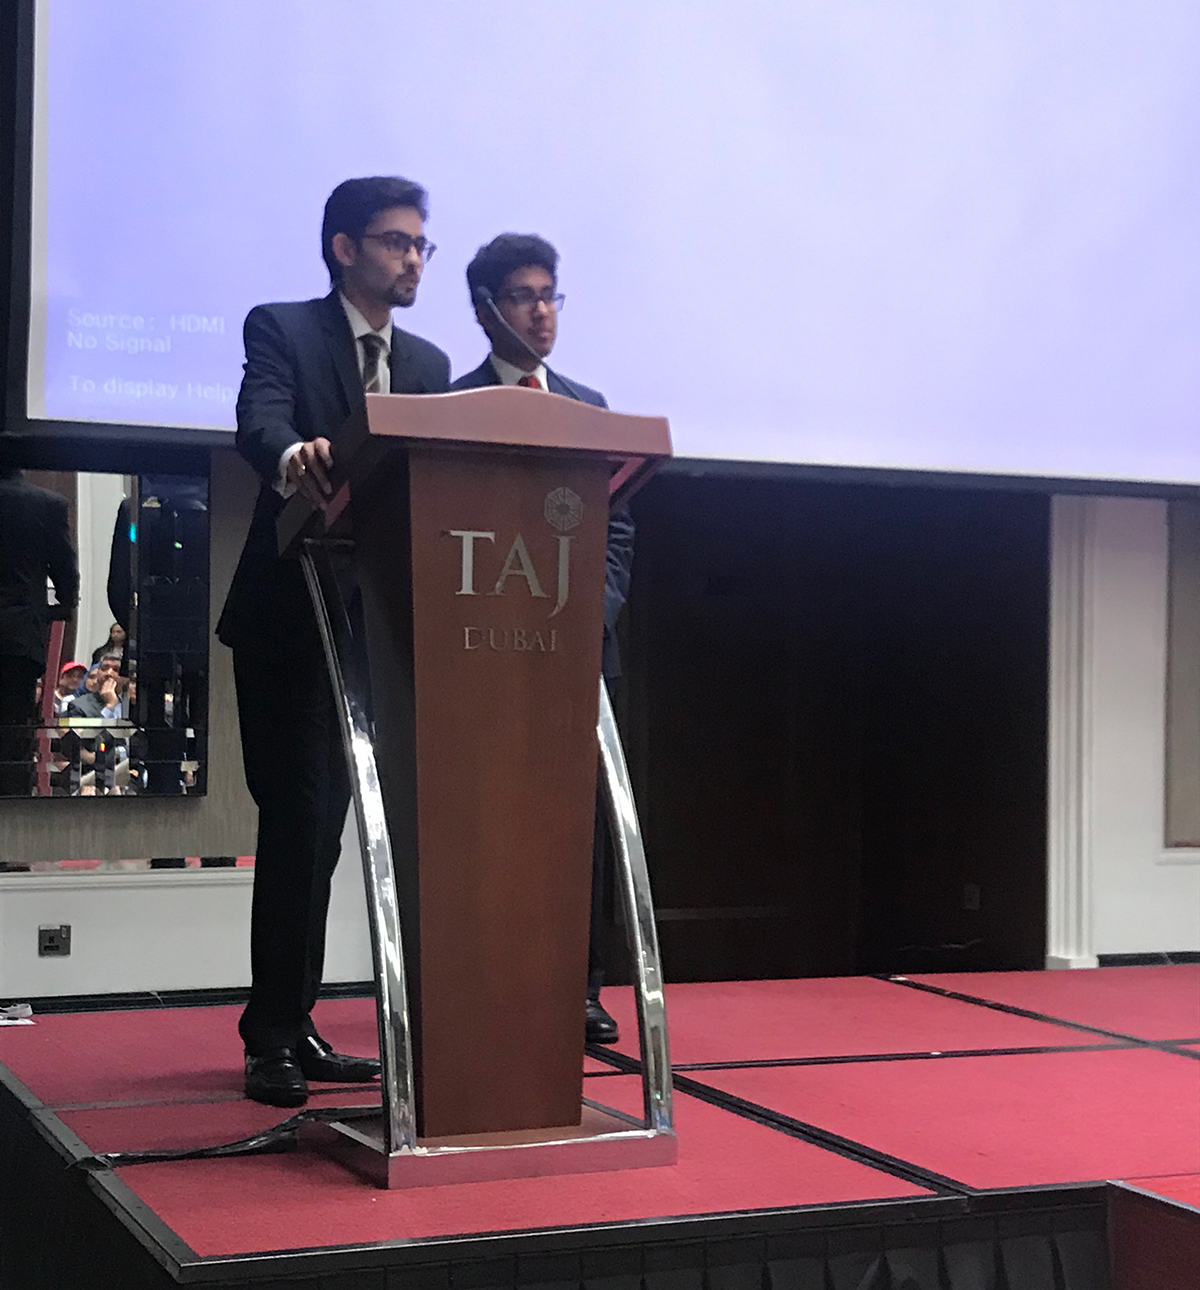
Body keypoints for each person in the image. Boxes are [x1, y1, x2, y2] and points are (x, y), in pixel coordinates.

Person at [217, 176, 450, 1107]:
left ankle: (294, 1021)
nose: (413, 259)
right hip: (288, 614)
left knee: (329, 834)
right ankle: (271, 1037)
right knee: (299, 823)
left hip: (374, 628)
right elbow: (261, 420)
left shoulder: (428, 362)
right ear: (344, 249)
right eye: (396, 242)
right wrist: (294, 457)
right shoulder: (283, 328)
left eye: (422, 245)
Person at [451, 233, 634, 1045]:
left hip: (578, 652)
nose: (542, 313)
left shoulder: (589, 407)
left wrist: (590, 617)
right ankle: (486, 978)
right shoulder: (451, 408)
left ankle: (580, 988)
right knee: (488, 823)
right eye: (523, 297)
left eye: (550, 295)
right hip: (482, 649)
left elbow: (616, 532)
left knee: (580, 826)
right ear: (485, 310)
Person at [0, 462, 78, 797]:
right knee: (15, 733)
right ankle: (13, 811)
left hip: (21, 631)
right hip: (19, 634)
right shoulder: (46, 504)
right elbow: (65, 567)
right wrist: (62, 606)